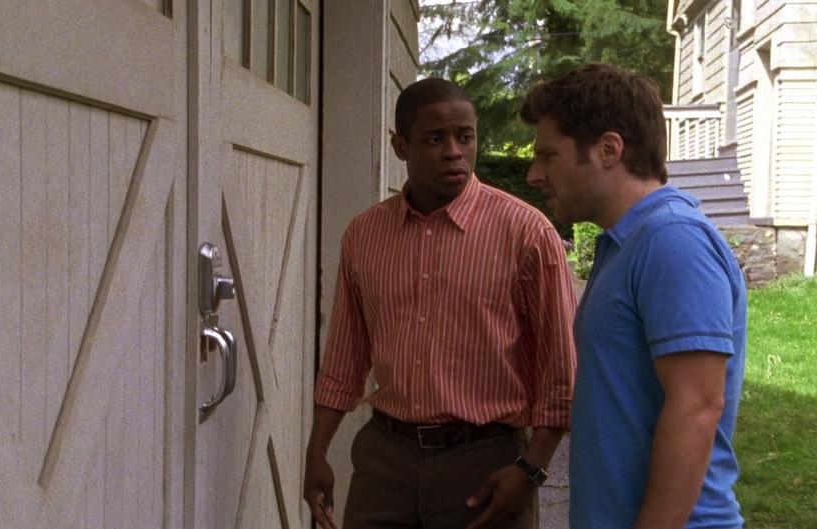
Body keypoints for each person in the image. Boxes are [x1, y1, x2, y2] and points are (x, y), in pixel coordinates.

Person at [303, 78, 577, 529]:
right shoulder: (364, 235)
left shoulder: (527, 234)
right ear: (399, 145)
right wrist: (317, 452)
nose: (454, 151)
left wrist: (530, 469)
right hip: (384, 461)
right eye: (435, 139)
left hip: (485, 462)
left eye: (464, 137)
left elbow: (560, 373)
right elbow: (344, 359)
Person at [521, 63, 747, 529]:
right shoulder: (623, 241)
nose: (534, 174)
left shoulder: (673, 241)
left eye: (548, 156)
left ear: (608, 149)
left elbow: (697, 407)